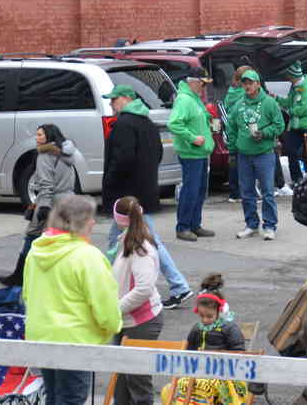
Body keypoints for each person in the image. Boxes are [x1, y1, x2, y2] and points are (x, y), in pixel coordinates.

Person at [23, 195, 122, 405]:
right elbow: (105, 305)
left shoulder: (35, 251)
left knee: (53, 395)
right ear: (79, 223)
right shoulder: (88, 256)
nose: (94, 222)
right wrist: (111, 327)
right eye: (90, 218)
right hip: (74, 341)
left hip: (41, 336)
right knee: (71, 399)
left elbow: (26, 294)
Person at [102, 84, 192, 309]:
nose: (111, 104)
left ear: (124, 99)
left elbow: (122, 159)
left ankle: (179, 285)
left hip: (128, 195)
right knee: (117, 240)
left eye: (113, 100)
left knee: (148, 240)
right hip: (145, 190)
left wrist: (109, 181)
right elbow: (158, 153)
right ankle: (106, 284)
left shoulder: (124, 124)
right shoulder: (147, 122)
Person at [0, 124, 78, 286]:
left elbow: (46, 184)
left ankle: (20, 275)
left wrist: (43, 206)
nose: (37, 138)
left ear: (49, 136)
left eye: (41, 135)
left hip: (50, 202)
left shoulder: (45, 155)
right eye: (37, 135)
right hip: (69, 202)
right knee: (64, 239)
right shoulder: (67, 153)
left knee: (33, 235)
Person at [162, 274, 250, 405]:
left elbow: (239, 353)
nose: (205, 320)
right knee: (173, 389)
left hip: (225, 374)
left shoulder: (230, 328)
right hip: (199, 372)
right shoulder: (197, 328)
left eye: (209, 316)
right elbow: (189, 351)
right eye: (202, 316)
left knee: (204, 389)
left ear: (220, 312)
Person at [110, 196, 164, 405]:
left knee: (138, 383)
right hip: (127, 321)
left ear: (119, 219)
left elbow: (143, 289)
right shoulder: (128, 240)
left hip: (141, 323)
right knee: (122, 382)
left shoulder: (140, 248)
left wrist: (116, 309)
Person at [228, 69, 285, 241]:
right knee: (246, 192)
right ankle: (251, 224)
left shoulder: (269, 103)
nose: (247, 86)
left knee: (267, 191)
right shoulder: (238, 105)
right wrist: (232, 150)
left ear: (258, 84)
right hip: (243, 155)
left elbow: (280, 125)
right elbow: (232, 129)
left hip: (264, 154)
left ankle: (269, 226)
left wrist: (265, 133)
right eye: (244, 83)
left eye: (250, 83)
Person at [167, 67, 217, 241]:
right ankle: (183, 227)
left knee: (199, 190)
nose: (204, 88)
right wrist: (193, 138)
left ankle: (195, 224)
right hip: (191, 153)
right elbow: (174, 124)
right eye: (203, 84)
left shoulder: (194, 99)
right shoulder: (184, 100)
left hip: (200, 153)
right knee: (191, 190)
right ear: (193, 81)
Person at [276, 61, 307, 190]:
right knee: (291, 151)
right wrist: (277, 98)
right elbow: (288, 102)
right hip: (295, 127)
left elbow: (305, 109)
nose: (287, 78)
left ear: (293, 76)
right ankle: (297, 180)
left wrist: (290, 111)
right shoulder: (294, 87)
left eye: (288, 76)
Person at [222, 66, 252, 201]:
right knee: (243, 164)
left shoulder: (231, 92)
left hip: (230, 130)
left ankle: (234, 193)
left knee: (233, 162)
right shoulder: (244, 95)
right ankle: (240, 192)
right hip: (240, 132)